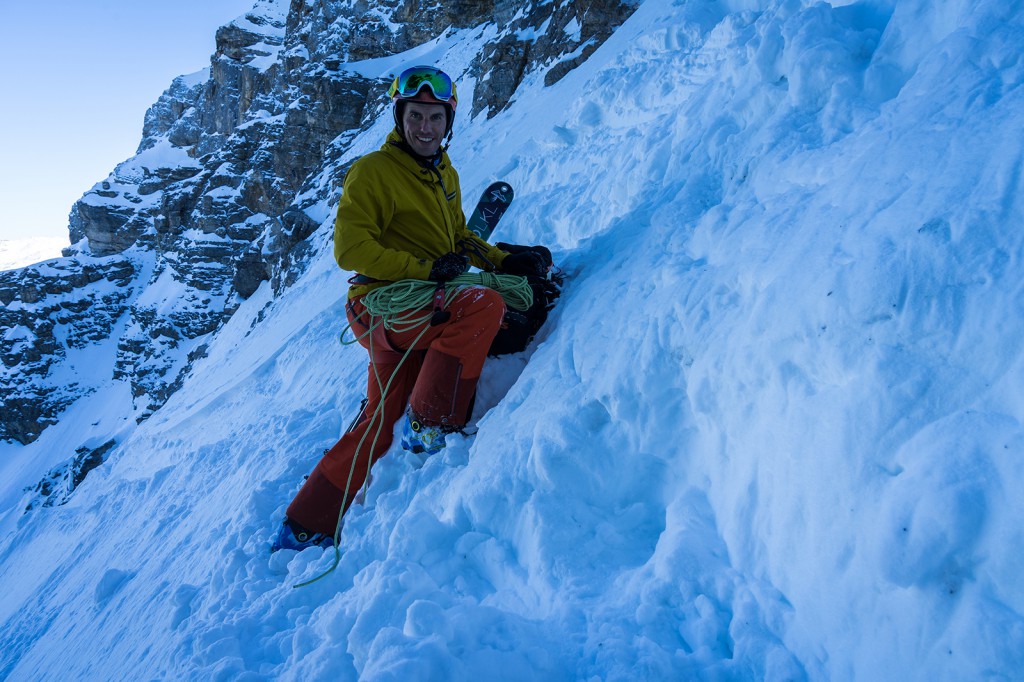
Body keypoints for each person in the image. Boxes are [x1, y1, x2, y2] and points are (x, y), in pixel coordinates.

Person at [272, 65, 550, 552]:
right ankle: (430, 423)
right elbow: (351, 249)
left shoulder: (446, 173)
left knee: (380, 418)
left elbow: (459, 240)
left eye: (435, 118)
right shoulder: (373, 172)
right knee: (480, 304)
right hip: (380, 306)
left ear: (449, 122)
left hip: (414, 307)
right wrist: (425, 270)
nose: (425, 127)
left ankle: (307, 521)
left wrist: (509, 259)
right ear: (400, 119)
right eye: (416, 116)